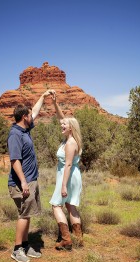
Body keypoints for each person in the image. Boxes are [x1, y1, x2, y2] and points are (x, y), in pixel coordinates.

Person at [8, 89, 54, 262]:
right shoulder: (15, 135)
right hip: (21, 182)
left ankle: (26, 245)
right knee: (23, 214)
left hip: (30, 180)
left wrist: (43, 96)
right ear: (24, 117)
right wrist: (24, 182)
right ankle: (17, 249)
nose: (32, 116)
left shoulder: (25, 130)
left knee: (27, 214)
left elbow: (35, 110)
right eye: (29, 115)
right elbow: (14, 161)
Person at [49, 91, 83, 251]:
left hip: (67, 176)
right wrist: (55, 103)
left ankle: (66, 239)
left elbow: (68, 165)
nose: (62, 126)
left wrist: (63, 186)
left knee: (56, 205)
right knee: (71, 205)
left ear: (71, 128)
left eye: (65, 125)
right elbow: (62, 118)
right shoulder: (71, 138)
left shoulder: (70, 143)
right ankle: (78, 239)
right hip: (74, 176)